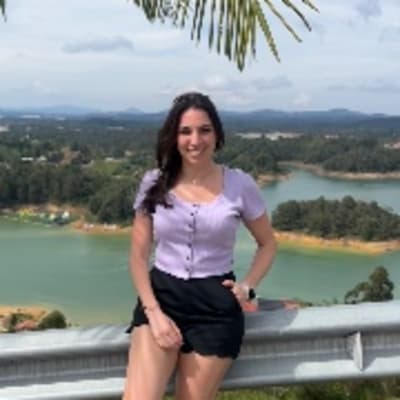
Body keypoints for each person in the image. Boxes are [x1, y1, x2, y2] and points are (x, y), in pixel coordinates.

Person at [123, 92, 277, 400]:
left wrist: (247, 287)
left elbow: (268, 244)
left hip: (215, 307)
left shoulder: (240, 184)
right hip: (162, 297)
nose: (195, 140)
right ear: (174, 137)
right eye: (185, 131)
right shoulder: (154, 182)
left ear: (217, 134)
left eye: (204, 130)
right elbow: (138, 256)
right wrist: (153, 312)